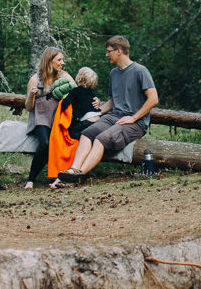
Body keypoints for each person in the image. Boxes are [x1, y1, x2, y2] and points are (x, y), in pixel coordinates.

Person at [58, 35, 158, 184]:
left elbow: (153, 99)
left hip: (135, 123)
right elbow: (113, 101)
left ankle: (79, 176)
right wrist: (97, 110)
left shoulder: (140, 71)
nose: (106, 55)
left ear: (119, 51)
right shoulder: (114, 73)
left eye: (109, 51)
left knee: (101, 139)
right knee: (86, 134)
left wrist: (134, 118)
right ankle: (73, 170)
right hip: (113, 116)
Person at [24, 46, 74, 189]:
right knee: (46, 143)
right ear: (49, 61)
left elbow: (77, 91)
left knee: (62, 142)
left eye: (62, 60)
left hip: (58, 119)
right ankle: (31, 179)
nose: (62, 63)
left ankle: (59, 176)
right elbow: (28, 107)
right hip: (41, 119)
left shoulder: (64, 76)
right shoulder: (35, 79)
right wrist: (32, 96)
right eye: (59, 60)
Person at [47, 66, 100, 188]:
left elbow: (65, 103)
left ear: (80, 79)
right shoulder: (91, 93)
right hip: (97, 120)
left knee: (69, 135)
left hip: (87, 122)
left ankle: (64, 173)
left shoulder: (76, 91)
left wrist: (57, 99)